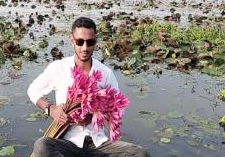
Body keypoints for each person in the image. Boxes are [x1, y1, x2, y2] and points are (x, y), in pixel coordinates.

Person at [27, 17, 149, 157]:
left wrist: (95, 116)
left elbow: (119, 111)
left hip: (97, 143)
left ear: (95, 42)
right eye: (80, 42)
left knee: (140, 153)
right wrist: (51, 109)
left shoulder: (105, 73)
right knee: (41, 145)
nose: (84, 48)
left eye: (89, 42)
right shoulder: (59, 68)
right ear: (72, 40)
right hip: (66, 142)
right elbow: (33, 90)